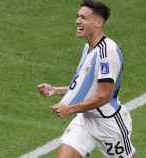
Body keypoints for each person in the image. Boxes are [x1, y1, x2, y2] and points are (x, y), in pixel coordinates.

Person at [38, 0, 136, 158]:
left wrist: (70, 108)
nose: (77, 21)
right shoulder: (88, 48)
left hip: (108, 124)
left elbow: (104, 95)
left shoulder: (106, 52)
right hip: (85, 119)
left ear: (98, 22)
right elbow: (86, 85)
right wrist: (56, 90)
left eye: (83, 18)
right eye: (77, 17)